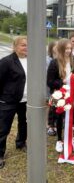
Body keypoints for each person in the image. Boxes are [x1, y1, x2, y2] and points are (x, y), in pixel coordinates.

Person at [0, 36, 28, 169]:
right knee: (3, 128)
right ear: (15, 46)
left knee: (24, 123)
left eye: (28, 45)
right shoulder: (6, 61)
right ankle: (0, 155)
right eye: (23, 45)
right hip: (8, 100)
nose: (26, 47)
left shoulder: (31, 60)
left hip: (26, 100)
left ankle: (21, 143)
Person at [47, 38, 74, 153]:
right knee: (58, 117)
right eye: (66, 48)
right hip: (58, 94)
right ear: (61, 49)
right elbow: (49, 81)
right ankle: (59, 140)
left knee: (70, 116)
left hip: (71, 94)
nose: (68, 50)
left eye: (70, 48)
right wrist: (62, 82)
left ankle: (69, 137)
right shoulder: (54, 62)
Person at [46, 41, 58, 136]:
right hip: (52, 87)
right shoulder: (48, 59)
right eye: (55, 46)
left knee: (59, 106)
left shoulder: (62, 59)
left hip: (60, 87)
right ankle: (50, 125)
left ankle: (57, 124)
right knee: (51, 105)